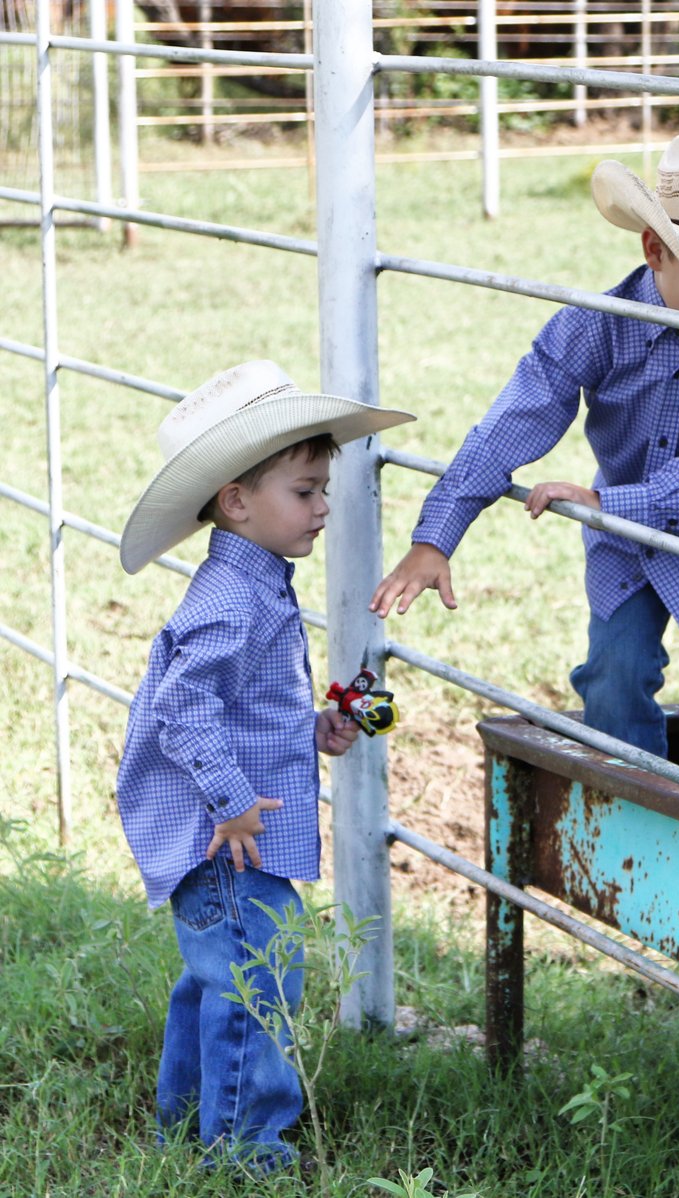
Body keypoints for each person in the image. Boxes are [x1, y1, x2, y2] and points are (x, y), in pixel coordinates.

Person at [370, 135, 679, 832]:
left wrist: (605, 503)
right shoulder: (594, 328)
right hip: (623, 541)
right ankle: (642, 833)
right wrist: (435, 536)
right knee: (614, 677)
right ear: (655, 250)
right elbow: (512, 424)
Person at [115, 359, 413, 1171]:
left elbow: (235, 705)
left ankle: (184, 1125)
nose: (323, 509)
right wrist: (233, 801)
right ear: (238, 501)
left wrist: (310, 727)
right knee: (258, 983)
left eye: (323, 489)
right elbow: (183, 707)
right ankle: (249, 1153)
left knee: (214, 981)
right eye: (306, 491)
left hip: (230, 832)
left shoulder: (254, 582)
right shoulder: (233, 596)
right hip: (232, 842)